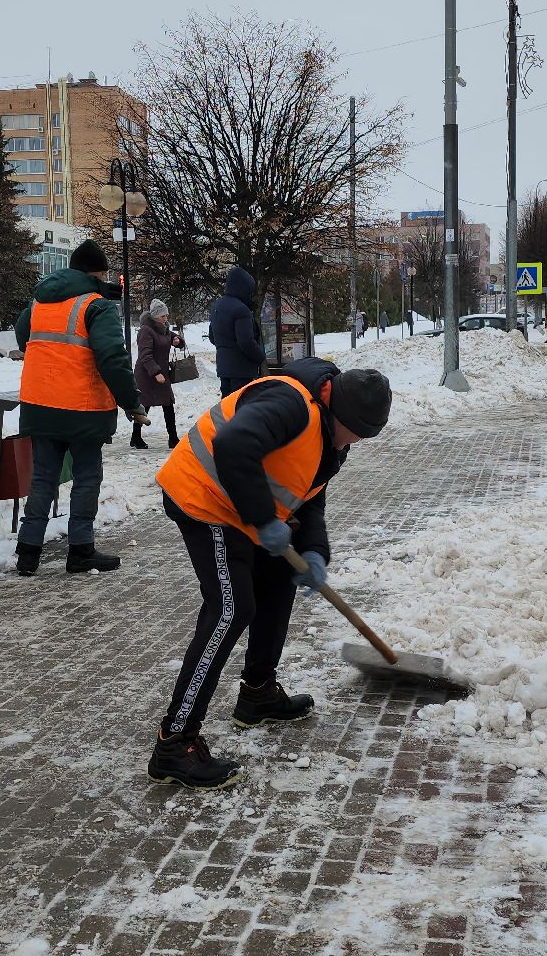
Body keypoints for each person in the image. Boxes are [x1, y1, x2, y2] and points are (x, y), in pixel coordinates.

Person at [149, 359, 393, 789]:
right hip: (204, 497)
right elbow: (232, 445)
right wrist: (263, 519)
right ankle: (175, 743)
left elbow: (308, 497)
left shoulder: (331, 435)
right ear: (337, 408)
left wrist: (315, 551)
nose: (352, 442)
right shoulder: (290, 403)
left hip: (240, 508)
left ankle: (257, 693)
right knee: (231, 608)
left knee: (280, 577)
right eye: (353, 432)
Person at [14, 239, 144, 576]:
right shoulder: (97, 306)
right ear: (98, 273)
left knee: (43, 478)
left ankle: (28, 554)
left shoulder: (40, 300)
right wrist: (132, 403)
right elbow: (113, 359)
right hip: (81, 407)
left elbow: (23, 337)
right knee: (87, 476)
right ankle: (81, 550)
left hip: (39, 403)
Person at [133, 299, 186, 450]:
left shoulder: (165, 329)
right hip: (147, 375)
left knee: (168, 404)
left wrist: (177, 340)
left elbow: (177, 340)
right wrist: (155, 372)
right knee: (144, 406)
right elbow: (145, 355)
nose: (166, 318)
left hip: (162, 374)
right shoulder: (146, 330)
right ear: (155, 316)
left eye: (167, 315)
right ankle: (136, 437)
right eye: (163, 316)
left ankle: (173, 438)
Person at [209, 266, 265, 398]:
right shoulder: (242, 310)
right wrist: (260, 356)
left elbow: (212, 337)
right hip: (242, 369)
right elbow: (246, 342)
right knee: (241, 407)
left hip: (223, 368)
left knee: (227, 407)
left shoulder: (217, 306)